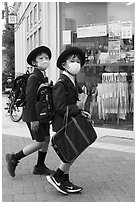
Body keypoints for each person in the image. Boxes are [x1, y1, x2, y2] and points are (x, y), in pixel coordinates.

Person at [5, 46, 54, 177]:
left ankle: (40, 166)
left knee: (46, 139)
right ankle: (14, 158)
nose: (45, 60)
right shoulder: (34, 77)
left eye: (47, 58)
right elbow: (30, 99)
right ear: (34, 62)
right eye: (41, 58)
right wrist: (33, 119)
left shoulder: (42, 76)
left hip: (42, 115)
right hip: (34, 115)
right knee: (40, 143)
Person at [46, 47, 85, 195]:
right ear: (64, 65)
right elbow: (60, 107)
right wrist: (77, 107)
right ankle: (57, 177)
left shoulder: (72, 81)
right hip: (63, 123)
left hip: (70, 121)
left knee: (71, 152)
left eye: (78, 61)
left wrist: (81, 110)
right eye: (72, 61)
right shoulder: (61, 83)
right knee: (71, 153)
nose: (76, 63)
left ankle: (65, 180)